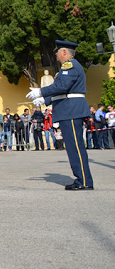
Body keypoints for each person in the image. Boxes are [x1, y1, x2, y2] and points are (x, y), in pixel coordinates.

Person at [26, 40, 94, 190]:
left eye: (57, 51)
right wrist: (45, 99)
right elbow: (62, 90)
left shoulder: (70, 66)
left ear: (64, 52)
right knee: (72, 147)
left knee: (75, 147)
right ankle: (81, 179)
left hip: (71, 110)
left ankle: (84, 181)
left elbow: (62, 86)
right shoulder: (67, 67)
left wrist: (41, 91)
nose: (55, 54)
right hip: (69, 110)